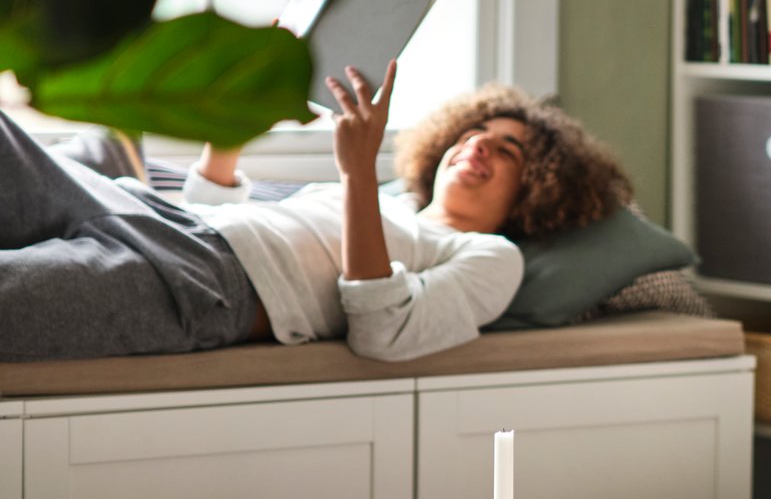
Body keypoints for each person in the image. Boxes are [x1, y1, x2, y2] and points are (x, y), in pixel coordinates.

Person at [0, 65, 631, 363]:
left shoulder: (490, 257)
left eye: (508, 150)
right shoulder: (387, 202)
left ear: (537, 191)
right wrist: (234, 129)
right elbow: (213, 212)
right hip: (155, 215)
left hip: (199, 287)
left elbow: (383, 332)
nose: (479, 146)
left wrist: (355, 173)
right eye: (472, 136)